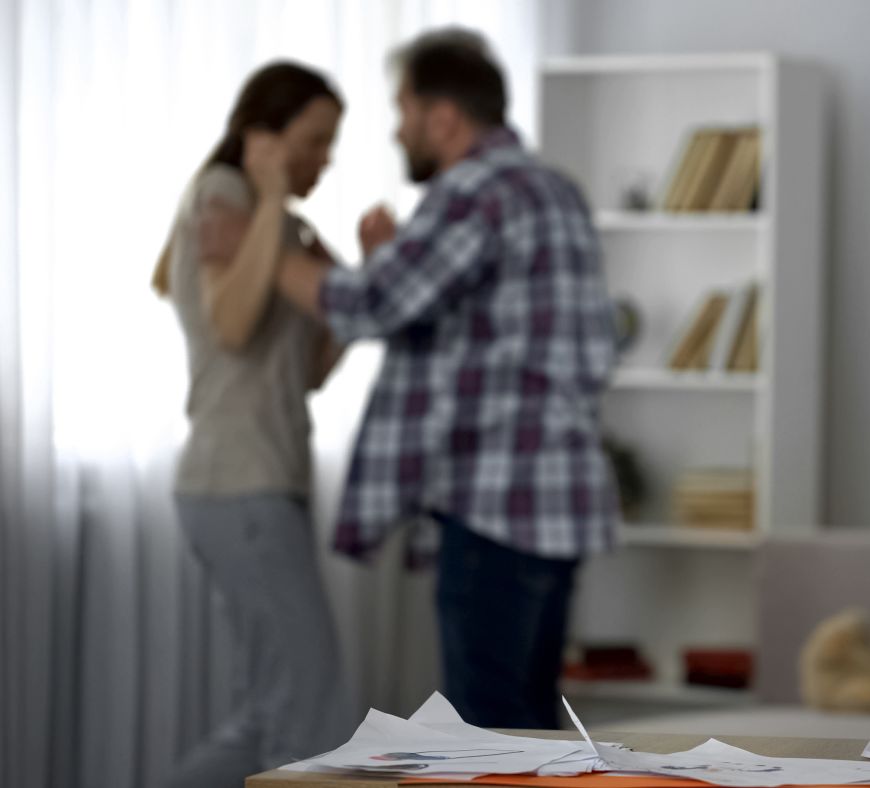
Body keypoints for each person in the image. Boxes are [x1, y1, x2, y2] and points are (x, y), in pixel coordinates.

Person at [275, 28, 618, 730]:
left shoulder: (474, 190)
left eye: (402, 111)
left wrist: (277, 254)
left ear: (442, 116)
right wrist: (389, 260)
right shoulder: (554, 188)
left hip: (495, 505)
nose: (398, 130)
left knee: (486, 739)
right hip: (560, 503)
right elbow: (480, 327)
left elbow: (372, 305)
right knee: (532, 735)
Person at [152, 61, 352, 786]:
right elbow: (232, 327)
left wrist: (349, 294)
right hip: (237, 483)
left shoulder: (283, 222)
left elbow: (303, 374)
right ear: (260, 135)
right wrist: (271, 197)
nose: (324, 160)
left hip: (263, 482)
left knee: (277, 713)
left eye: (332, 145)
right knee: (314, 715)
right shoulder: (225, 196)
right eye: (314, 141)